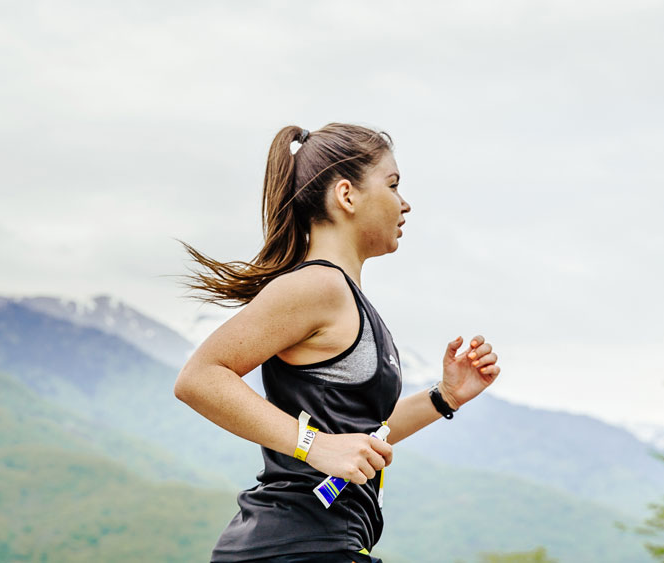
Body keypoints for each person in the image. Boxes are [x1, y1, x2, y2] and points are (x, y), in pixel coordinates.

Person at [173, 123, 501, 563]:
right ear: (347, 196)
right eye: (393, 184)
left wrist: (445, 397)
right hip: (295, 547)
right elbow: (199, 378)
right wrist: (314, 445)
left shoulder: (346, 298)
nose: (405, 204)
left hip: (323, 545)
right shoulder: (317, 287)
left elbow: (357, 439)